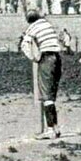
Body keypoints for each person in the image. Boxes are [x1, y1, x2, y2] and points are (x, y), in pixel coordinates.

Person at [21, 10, 63, 140]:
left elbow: (24, 45)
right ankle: (55, 127)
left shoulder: (32, 28)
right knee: (51, 94)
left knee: (46, 95)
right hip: (57, 58)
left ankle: (50, 130)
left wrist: (34, 58)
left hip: (47, 58)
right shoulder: (47, 24)